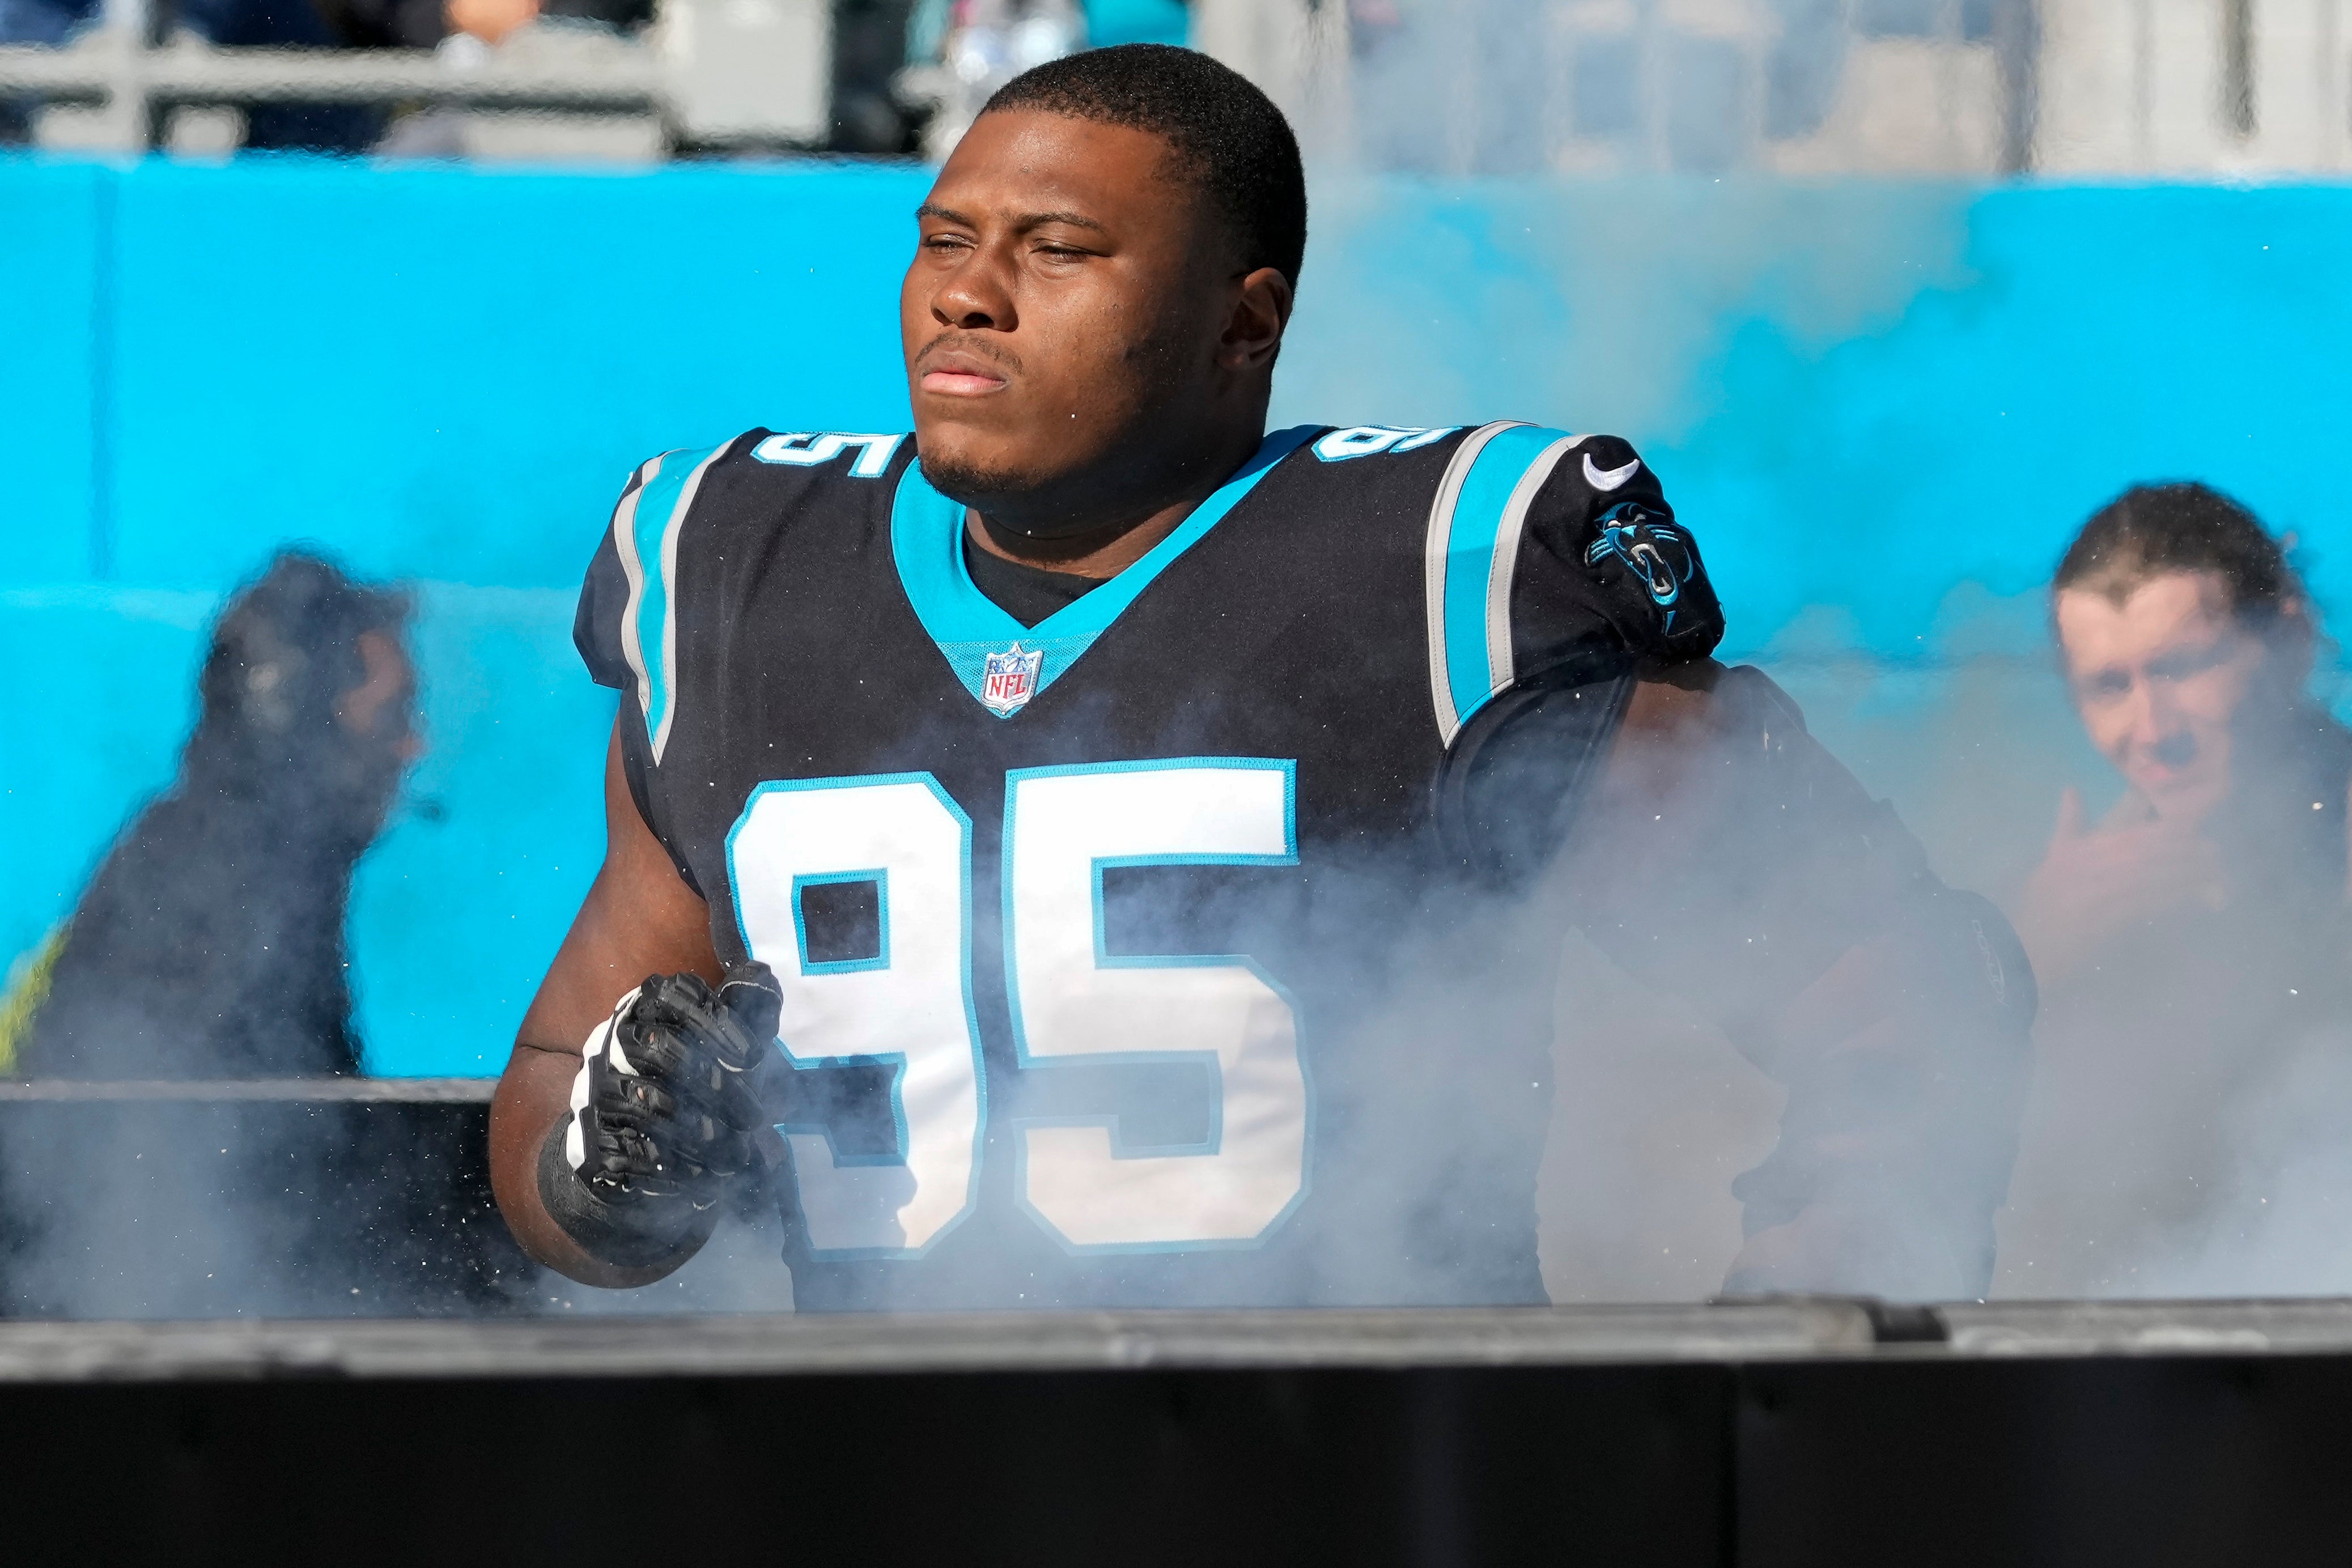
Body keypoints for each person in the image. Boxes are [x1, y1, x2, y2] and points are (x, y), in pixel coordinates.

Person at [490, 43, 2034, 1309]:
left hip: (1343, 1483)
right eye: (946, 241)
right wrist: (606, 1177)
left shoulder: (1440, 581)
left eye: (1058, 250)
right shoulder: (739, 569)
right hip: (914, 1484)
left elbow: (1896, 991)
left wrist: (1769, 1344)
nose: (968, 293)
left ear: (1246, 323)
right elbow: (562, 1067)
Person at [1999, 484, 2352, 1294]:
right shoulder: (2068, 897)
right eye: (2109, 687)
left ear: (2287, 647)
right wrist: (2024, 971)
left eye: (2184, 668)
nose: (2153, 731)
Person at [14, 551, 419, 1079]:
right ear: (294, 716)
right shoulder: (225, 883)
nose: (415, 746)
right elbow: (244, 1143)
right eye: (391, 715)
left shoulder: (238, 854)